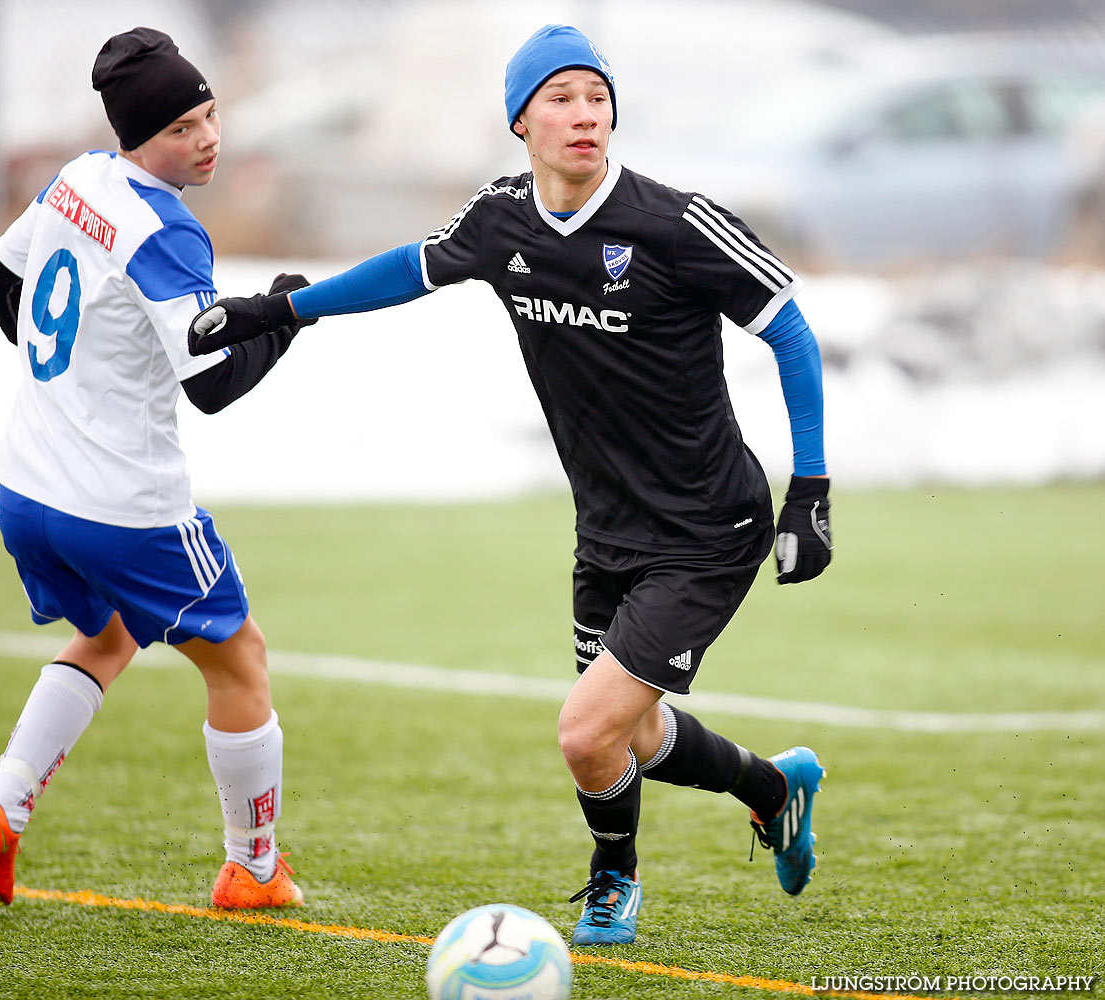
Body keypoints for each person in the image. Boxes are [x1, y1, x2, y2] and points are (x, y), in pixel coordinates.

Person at [189, 23, 832, 944]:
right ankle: (774, 789)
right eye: (562, 98)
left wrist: (808, 490)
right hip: (606, 527)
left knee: (585, 733)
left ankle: (615, 880)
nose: (586, 115)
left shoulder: (672, 222)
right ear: (520, 120)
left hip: (706, 528)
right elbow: (404, 272)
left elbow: (791, 330)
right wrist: (278, 308)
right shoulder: (503, 220)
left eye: (598, 98)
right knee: (631, 736)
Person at [0, 27, 312, 910]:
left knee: (108, 636)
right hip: (124, 506)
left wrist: (73, 391)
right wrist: (284, 317)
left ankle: (1, 812)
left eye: (211, 114)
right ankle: (254, 869)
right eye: (185, 127)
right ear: (140, 137)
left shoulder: (78, 178)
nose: (208, 138)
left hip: (26, 487)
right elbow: (214, 383)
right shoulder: (169, 230)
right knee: (240, 662)